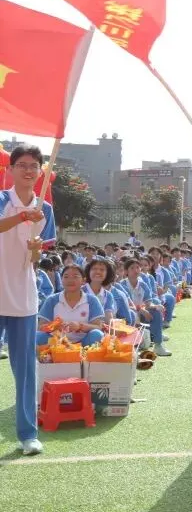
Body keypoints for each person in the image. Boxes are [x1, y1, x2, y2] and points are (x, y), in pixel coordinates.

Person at [0, 145, 56, 455]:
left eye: (34, 165)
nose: (28, 170)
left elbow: (35, 258)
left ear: (40, 171)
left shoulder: (45, 209)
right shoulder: (2, 200)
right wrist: (22, 216)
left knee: (24, 371)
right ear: (10, 170)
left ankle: (27, 434)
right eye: (21, 165)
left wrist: (35, 248)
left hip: (22, 297)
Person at [37, 264, 106, 346]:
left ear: (83, 281)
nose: (70, 280)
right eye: (66, 277)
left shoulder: (92, 300)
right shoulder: (52, 300)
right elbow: (41, 327)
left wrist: (80, 326)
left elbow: (99, 327)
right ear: (61, 280)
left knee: (97, 334)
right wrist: (54, 327)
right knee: (38, 336)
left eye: (75, 276)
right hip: (56, 343)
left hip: (83, 343)